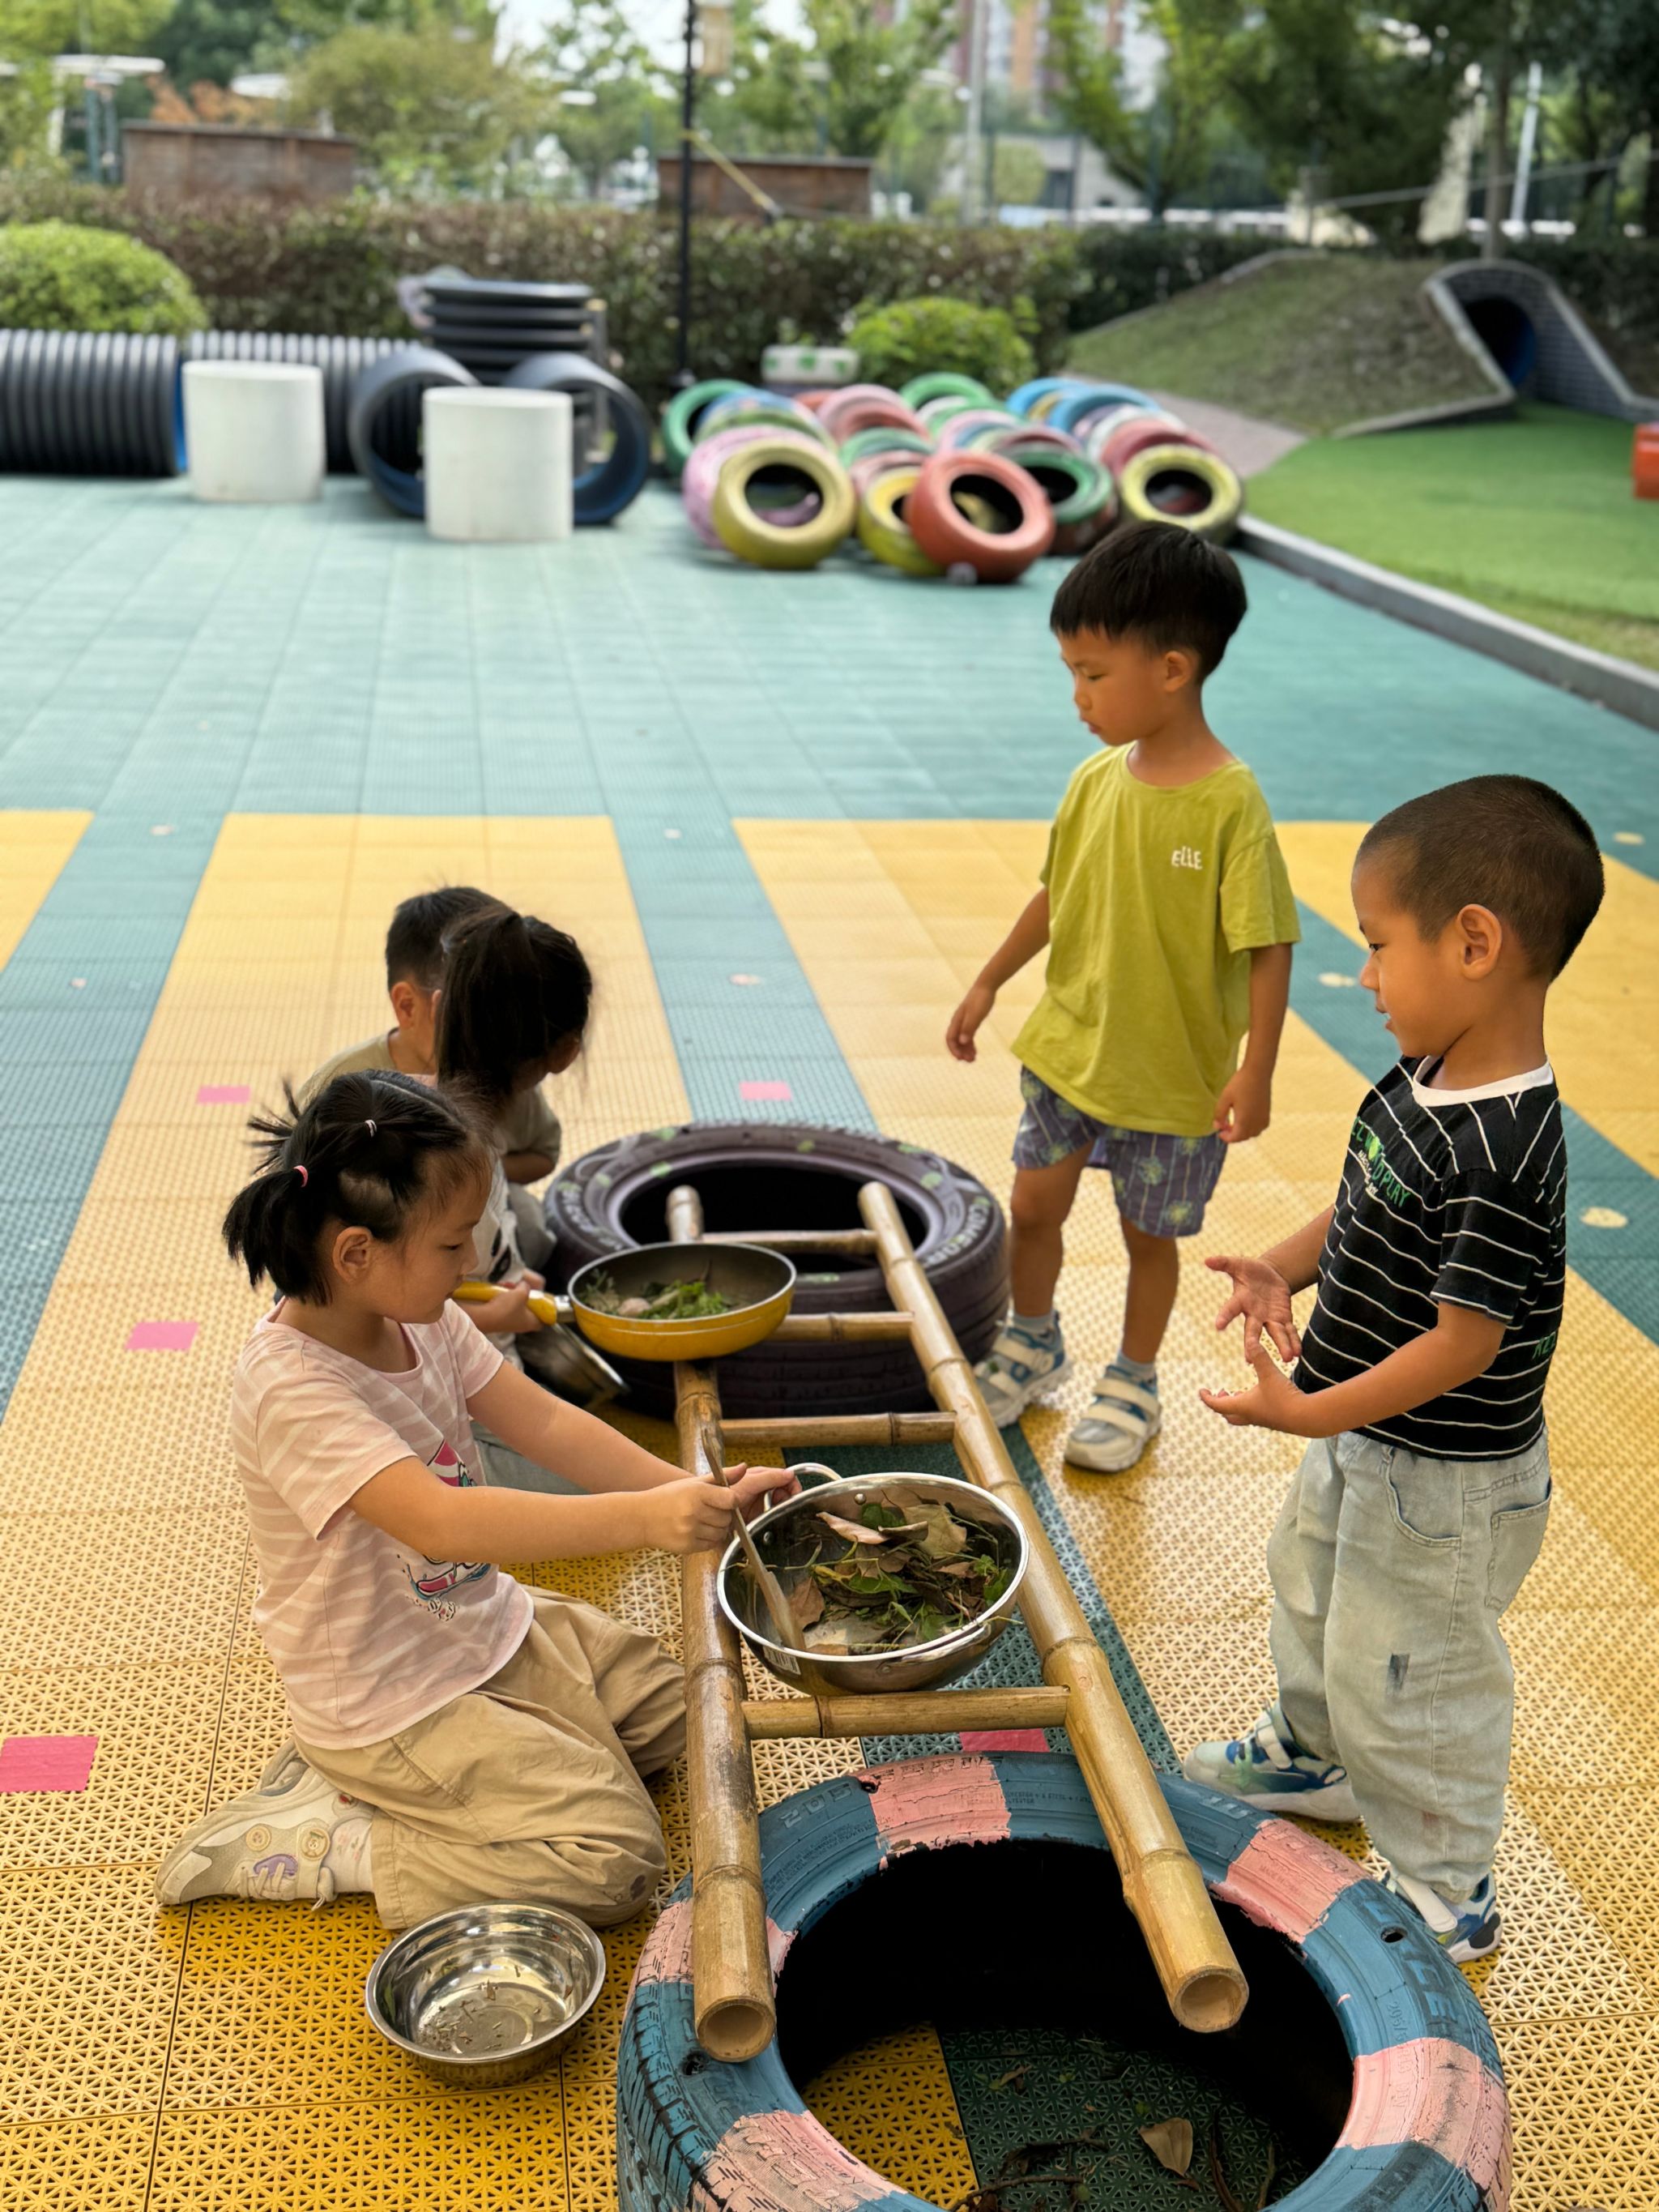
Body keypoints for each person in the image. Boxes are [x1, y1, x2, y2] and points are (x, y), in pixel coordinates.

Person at [156, 1069, 784, 1925]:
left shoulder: (422, 1317)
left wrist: (700, 1491)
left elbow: (547, 1425)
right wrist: (649, 1520)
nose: (473, 1265)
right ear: (355, 1254)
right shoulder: (292, 1389)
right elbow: (443, 1523)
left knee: (680, 1716)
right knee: (617, 1861)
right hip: (389, 1696)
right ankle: (336, 1840)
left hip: (477, 1625)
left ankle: (391, 1789)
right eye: (454, 1245)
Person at [1186, 775, 1604, 1962]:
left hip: (1444, 1484)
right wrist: (1279, 1267)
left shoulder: (1506, 1148)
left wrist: (1307, 1411)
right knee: (1312, 1588)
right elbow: (1364, 1203)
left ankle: (1446, 1887)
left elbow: (1464, 1344)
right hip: (1364, 1435)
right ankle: (1313, 1756)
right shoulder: (1426, 1074)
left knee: (1413, 1676)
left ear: (1473, 942)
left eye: (1378, 945)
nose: (1364, 976)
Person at [946, 520, 1299, 1471]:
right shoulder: (1094, 778)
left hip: (1170, 1078)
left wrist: (1255, 1071)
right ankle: (1031, 1339)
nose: (1077, 696)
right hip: (1069, 1049)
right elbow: (1056, 894)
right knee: (1032, 1207)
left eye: (1093, 674)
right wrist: (987, 979)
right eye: (1071, 671)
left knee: (1148, 1239)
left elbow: (1267, 946)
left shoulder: (1229, 804)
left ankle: (1133, 1381)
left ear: (1172, 668)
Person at [304, 886, 565, 1271]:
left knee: (531, 1225)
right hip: (369, 1269)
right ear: (409, 1006)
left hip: (478, 1239)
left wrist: (470, 1180)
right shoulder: (339, 1092)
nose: (495, 1038)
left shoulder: (504, 1079)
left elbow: (543, 1154)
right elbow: (297, 1223)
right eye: (472, 1014)